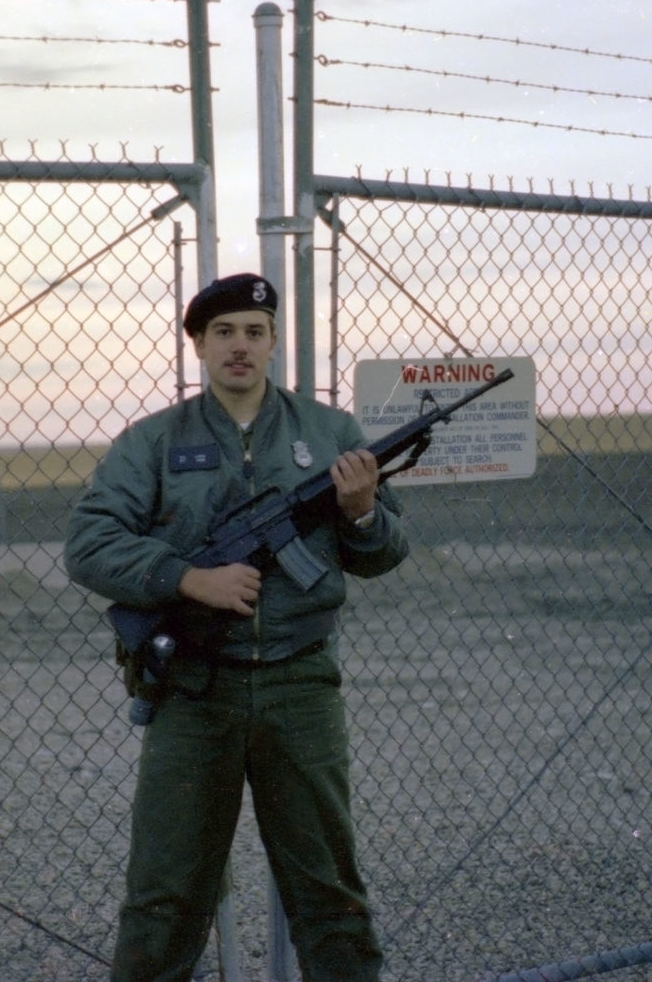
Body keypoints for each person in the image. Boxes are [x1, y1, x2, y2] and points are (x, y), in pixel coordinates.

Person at [64, 272, 409, 982]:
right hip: (194, 694)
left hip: (300, 686)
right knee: (164, 895)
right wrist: (188, 579)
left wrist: (363, 514)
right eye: (223, 332)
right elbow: (88, 545)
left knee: (328, 890)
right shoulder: (153, 442)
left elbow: (383, 553)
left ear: (274, 342)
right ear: (198, 344)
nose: (240, 347)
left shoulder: (330, 433)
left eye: (254, 332)